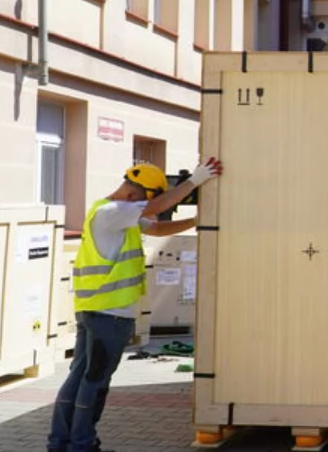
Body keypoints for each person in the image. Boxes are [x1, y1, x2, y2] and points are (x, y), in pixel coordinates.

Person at [47, 157, 223, 452]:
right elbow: (154, 211)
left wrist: (195, 221)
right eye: (147, 199)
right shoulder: (114, 211)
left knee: (79, 377)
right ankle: (82, 444)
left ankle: (60, 442)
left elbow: (155, 229)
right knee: (95, 382)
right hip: (110, 315)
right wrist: (196, 180)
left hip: (93, 308)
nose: (149, 209)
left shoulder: (107, 212)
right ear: (133, 194)